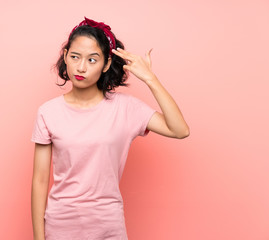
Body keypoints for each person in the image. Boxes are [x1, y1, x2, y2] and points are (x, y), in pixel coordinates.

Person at [31, 17, 189, 240]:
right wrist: (39, 238)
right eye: (75, 57)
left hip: (108, 227)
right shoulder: (48, 112)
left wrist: (150, 79)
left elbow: (179, 130)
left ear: (106, 64)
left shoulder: (125, 108)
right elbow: (39, 180)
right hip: (61, 226)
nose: (81, 67)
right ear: (65, 55)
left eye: (92, 60)